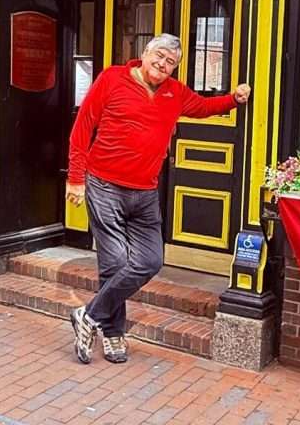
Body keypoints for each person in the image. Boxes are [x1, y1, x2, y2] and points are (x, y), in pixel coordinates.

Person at [65, 33, 251, 365]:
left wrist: (234, 100)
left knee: (150, 261)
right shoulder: (112, 78)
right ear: (145, 53)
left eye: (171, 63)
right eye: (159, 56)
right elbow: (82, 128)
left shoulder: (174, 92)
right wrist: (76, 179)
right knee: (115, 265)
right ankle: (113, 335)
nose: (163, 65)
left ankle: (88, 315)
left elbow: (204, 108)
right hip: (105, 185)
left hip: (145, 191)